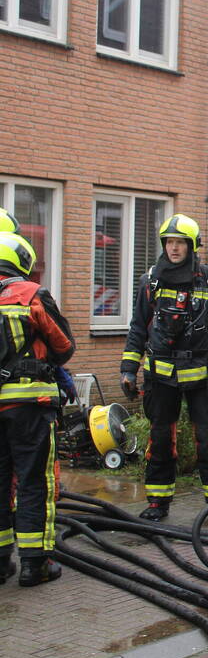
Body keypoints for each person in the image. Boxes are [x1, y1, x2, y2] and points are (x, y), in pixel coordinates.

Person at [120, 214, 208, 525]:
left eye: (180, 242)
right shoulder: (151, 282)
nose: (173, 248)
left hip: (202, 375)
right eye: (169, 242)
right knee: (160, 439)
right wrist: (129, 370)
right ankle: (158, 502)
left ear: (192, 246)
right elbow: (138, 329)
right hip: (161, 377)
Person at [0, 233, 75, 586]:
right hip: (31, 406)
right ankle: (35, 563)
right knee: (33, 481)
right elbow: (63, 346)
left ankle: (1, 563)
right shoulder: (31, 295)